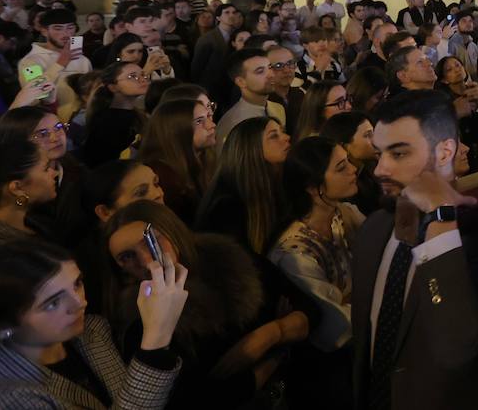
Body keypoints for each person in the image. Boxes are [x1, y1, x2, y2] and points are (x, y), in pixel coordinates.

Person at [354, 89, 478, 409]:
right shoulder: (374, 228)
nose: (380, 169)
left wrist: (441, 222)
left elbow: (457, 345)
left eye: (398, 154)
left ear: (444, 152)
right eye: (378, 154)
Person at [104, 200, 312, 410]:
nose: (147, 261)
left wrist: (270, 334)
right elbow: (204, 401)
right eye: (127, 257)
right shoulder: (141, 327)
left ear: (171, 230)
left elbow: (308, 310)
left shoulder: (228, 259)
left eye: (151, 243)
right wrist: (276, 355)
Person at [0, 237, 188, 409]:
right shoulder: (11, 397)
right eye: (53, 303)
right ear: (5, 326)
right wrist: (156, 337)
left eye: (77, 284)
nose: (80, 302)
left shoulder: (93, 330)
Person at [269, 137, 362, 404]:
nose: (353, 170)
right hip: (325, 372)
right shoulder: (293, 252)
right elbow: (335, 328)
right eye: (341, 167)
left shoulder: (343, 214)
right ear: (312, 188)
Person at [194, 116, 291, 256]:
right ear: (251, 148)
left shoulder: (275, 184)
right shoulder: (227, 207)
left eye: (282, 132)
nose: (287, 137)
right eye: (274, 136)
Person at [137, 87, 218, 223]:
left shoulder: (204, 157)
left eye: (209, 117)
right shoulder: (161, 177)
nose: (212, 125)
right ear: (176, 130)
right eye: (199, 121)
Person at [18, 8, 91, 113]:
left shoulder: (83, 59)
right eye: (58, 28)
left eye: (70, 27)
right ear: (44, 31)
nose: (66, 33)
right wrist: (60, 63)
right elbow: (34, 98)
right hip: (52, 122)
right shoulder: (31, 61)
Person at [81, 62, 151, 168]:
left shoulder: (135, 113)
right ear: (113, 87)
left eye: (143, 74)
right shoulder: (108, 122)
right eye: (132, 76)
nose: (142, 79)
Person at [213, 49, 287, 147]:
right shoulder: (234, 124)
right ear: (241, 81)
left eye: (270, 67)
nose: (271, 75)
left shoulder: (278, 108)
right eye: (260, 71)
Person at [0, 137, 59, 246]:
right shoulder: (9, 253)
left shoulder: (38, 221)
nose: (55, 173)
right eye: (45, 169)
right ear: (17, 188)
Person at [319, 110, 381, 216]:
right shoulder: (341, 189)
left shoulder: (370, 169)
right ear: (343, 146)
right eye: (367, 135)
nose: (376, 140)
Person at [190, 3, 240, 111]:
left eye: (234, 13)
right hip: (211, 86)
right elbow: (197, 67)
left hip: (231, 85)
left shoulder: (238, 36)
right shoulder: (207, 39)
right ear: (218, 17)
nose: (231, 15)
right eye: (227, 12)